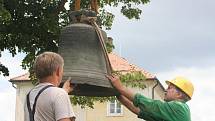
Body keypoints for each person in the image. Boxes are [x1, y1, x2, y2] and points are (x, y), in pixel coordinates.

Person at [107, 75, 194, 121]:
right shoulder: (170, 114)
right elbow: (140, 111)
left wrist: (121, 88)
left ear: (179, 94)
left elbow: (149, 104)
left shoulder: (178, 107)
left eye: (170, 88)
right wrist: (119, 95)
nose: (166, 90)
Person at [24, 52, 76, 121]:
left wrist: (64, 91)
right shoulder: (59, 94)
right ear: (58, 71)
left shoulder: (29, 95)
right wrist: (62, 93)